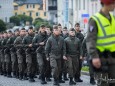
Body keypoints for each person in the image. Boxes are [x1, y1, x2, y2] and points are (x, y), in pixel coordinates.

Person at [86, 0, 115, 86]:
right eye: (112, 3)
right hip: (100, 59)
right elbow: (90, 40)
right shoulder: (94, 19)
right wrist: (94, 57)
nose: (114, 5)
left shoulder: (112, 18)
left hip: (112, 59)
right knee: (103, 83)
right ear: (106, 4)